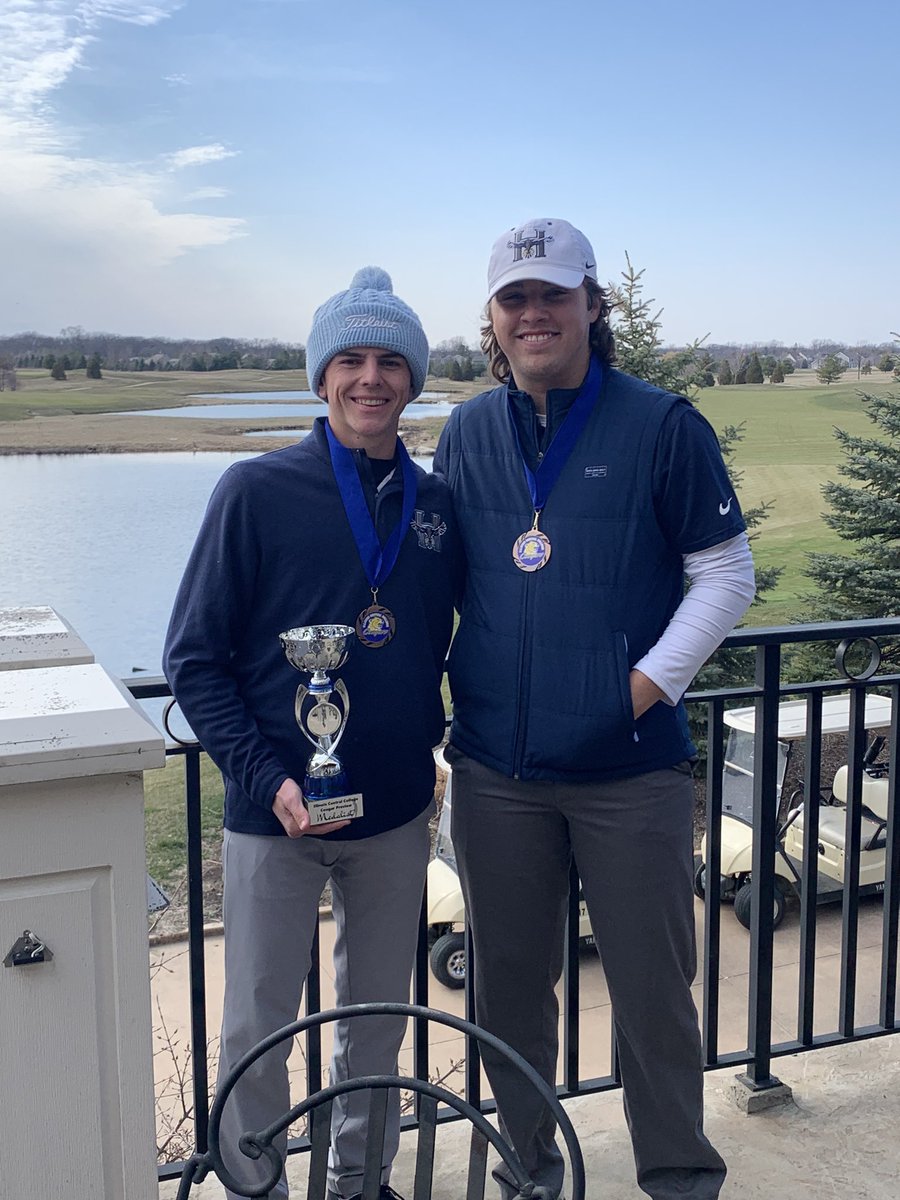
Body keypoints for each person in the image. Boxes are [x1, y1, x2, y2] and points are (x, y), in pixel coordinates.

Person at [433, 218, 756, 1200]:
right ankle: (527, 1171)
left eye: (553, 294)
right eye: (514, 298)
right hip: (497, 773)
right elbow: (439, 579)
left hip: (630, 773)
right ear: (492, 320)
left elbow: (726, 573)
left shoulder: (663, 426)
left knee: (656, 997)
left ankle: (679, 1177)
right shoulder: (466, 434)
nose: (534, 314)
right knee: (507, 996)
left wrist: (641, 687)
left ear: (592, 305)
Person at [164, 267, 458, 1200]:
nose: (370, 379)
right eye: (350, 361)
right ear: (320, 379)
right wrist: (263, 778)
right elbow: (193, 658)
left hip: (396, 815)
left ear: (412, 380)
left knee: (374, 1024)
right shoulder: (253, 491)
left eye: (389, 362)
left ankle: (359, 1184)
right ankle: (256, 1188)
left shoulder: (438, 505)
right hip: (273, 816)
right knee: (256, 1024)